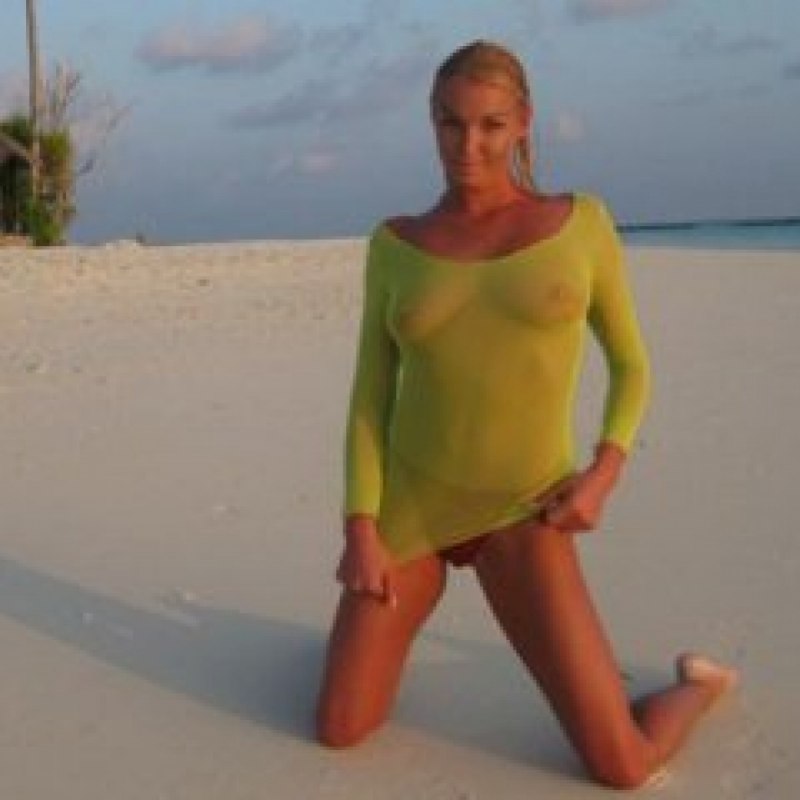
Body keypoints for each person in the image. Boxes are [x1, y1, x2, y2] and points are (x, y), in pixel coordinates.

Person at [316, 40, 737, 789]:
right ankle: (366, 633)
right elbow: (369, 399)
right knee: (341, 726)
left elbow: (632, 365)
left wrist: (603, 472)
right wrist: (360, 530)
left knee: (622, 767)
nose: (468, 146)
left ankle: (698, 688)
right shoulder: (396, 244)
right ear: (432, 123)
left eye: (490, 125)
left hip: (524, 507)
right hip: (413, 507)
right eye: (451, 124)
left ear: (523, 124)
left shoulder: (581, 224)